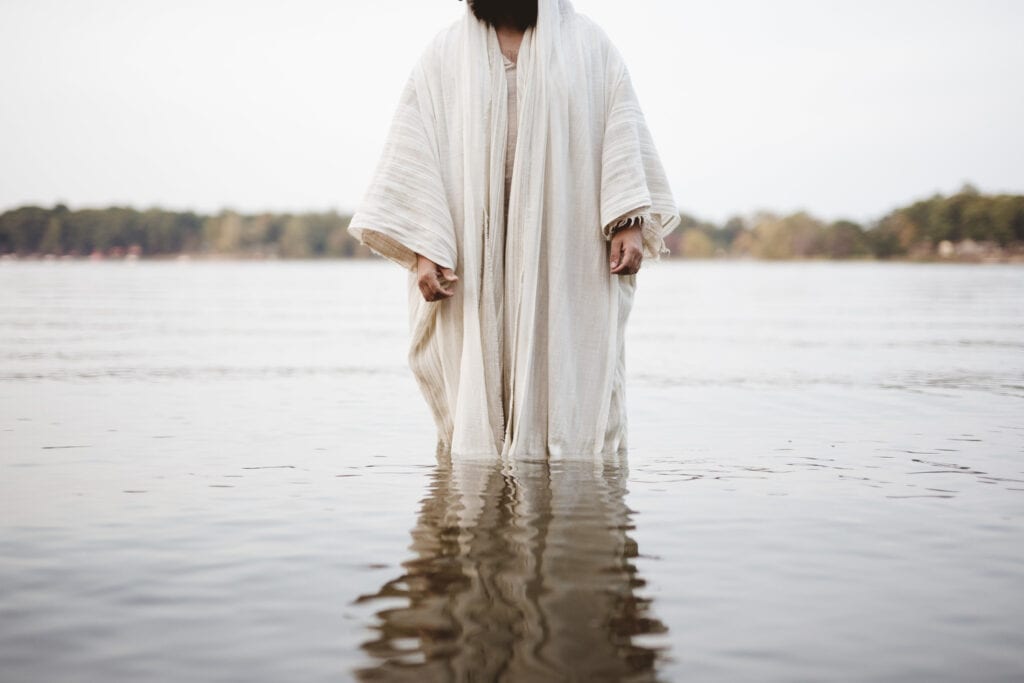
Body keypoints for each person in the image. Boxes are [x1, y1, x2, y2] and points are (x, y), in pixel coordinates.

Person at [347, 0, 679, 459]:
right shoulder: (444, 54)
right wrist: (425, 248)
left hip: (565, 247)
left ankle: (569, 494)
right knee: (472, 415)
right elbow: (415, 158)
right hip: (470, 253)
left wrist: (628, 220)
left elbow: (620, 131)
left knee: (573, 382)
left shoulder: (588, 45)